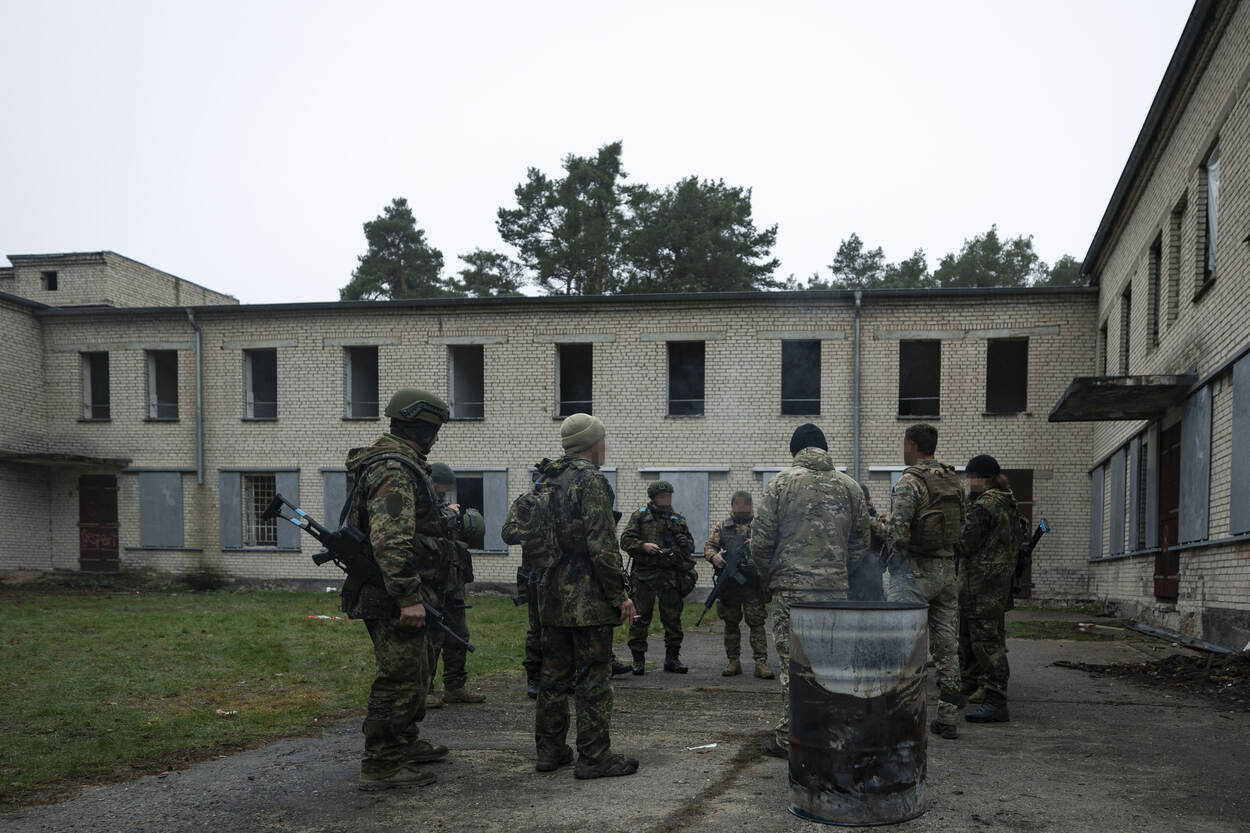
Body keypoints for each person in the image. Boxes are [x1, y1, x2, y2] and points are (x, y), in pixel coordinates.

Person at [340, 388, 455, 791]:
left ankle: (404, 742)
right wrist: (408, 597)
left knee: (417, 671)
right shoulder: (393, 468)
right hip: (393, 595)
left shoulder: (398, 464)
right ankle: (382, 762)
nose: (437, 438)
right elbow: (391, 539)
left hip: (404, 589)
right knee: (400, 677)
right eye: (434, 430)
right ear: (420, 428)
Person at [749, 423, 870, 759]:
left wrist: (769, 572)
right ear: (825, 449)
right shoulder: (850, 487)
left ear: (794, 452)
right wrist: (840, 569)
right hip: (834, 591)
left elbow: (760, 541)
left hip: (791, 591)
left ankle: (791, 740)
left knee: (794, 666)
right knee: (831, 664)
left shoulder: (781, 483)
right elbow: (862, 540)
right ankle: (831, 734)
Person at [533, 413, 639, 779]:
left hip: (550, 595)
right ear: (593, 444)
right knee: (593, 677)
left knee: (553, 677)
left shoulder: (546, 479)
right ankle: (594, 757)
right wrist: (619, 594)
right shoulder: (590, 481)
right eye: (603, 440)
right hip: (587, 598)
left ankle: (550, 751)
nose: (605, 446)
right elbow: (602, 545)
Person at [886, 423, 967, 740]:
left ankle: (902, 714)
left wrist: (894, 562)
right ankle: (947, 717)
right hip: (947, 571)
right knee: (947, 646)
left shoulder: (911, 481)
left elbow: (898, 532)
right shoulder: (952, 478)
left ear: (912, 444)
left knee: (902, 644)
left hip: (915, 572)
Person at [956, 454, 1020, 725]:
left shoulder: (985, 506)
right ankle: (970, 684)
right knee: (972, 636)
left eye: (971, 477)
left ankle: (996, 699)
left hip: (981, 585)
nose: (968, 482)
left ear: (982, 478)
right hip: (997, 584)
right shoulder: (1007, 501)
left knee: (986, 643)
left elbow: (964, 544)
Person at [621, 481, 697, 674]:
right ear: (653, 497)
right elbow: (625, 541)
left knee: (673, 619)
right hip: (645, 575)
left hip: (670, 576)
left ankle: (672, 659)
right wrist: (643, 546)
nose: (666, 499)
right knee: (640, 618)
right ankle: (638, 660)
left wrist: (684, 542)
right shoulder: (640, 516)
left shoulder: (677, 519)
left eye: (668, 496)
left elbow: (690, 548)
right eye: (662, 496)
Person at [425, 462, 485, 707]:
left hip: (453, 580)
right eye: (443, 485)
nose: (445, 490)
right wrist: (450, 513)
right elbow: (430, 526)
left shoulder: (438, 502)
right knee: (432, 637)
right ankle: (425, 689)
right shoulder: (425, 503)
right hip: (434, 582)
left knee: (459, 634)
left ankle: (455, 686)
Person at [502, 457, 559, 700]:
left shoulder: (562, 499)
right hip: (537, 572)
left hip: (562, 572)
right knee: (538, 627)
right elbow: (508, 533)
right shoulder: (525, 503)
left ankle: (561, 674)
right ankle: (534, 676)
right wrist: (536, 530)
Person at [703, 491, 774, 679]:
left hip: (753, 584)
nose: (742, 508)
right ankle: (733, 661)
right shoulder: (722, 527)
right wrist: (714, 556)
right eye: (738, 504)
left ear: (751, 506)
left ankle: (761, 662)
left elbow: (771, 547)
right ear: (732, 505)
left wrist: (756, 545)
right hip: (730, 585)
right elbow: (709, 546)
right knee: (731, 623)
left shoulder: (760, 527)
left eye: (746, 504)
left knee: (757, 623)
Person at [847, 481, 886, 601]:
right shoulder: (879, 522)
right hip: (872, 575)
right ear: (868, 499)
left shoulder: (849, 520)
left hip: (860, 575)